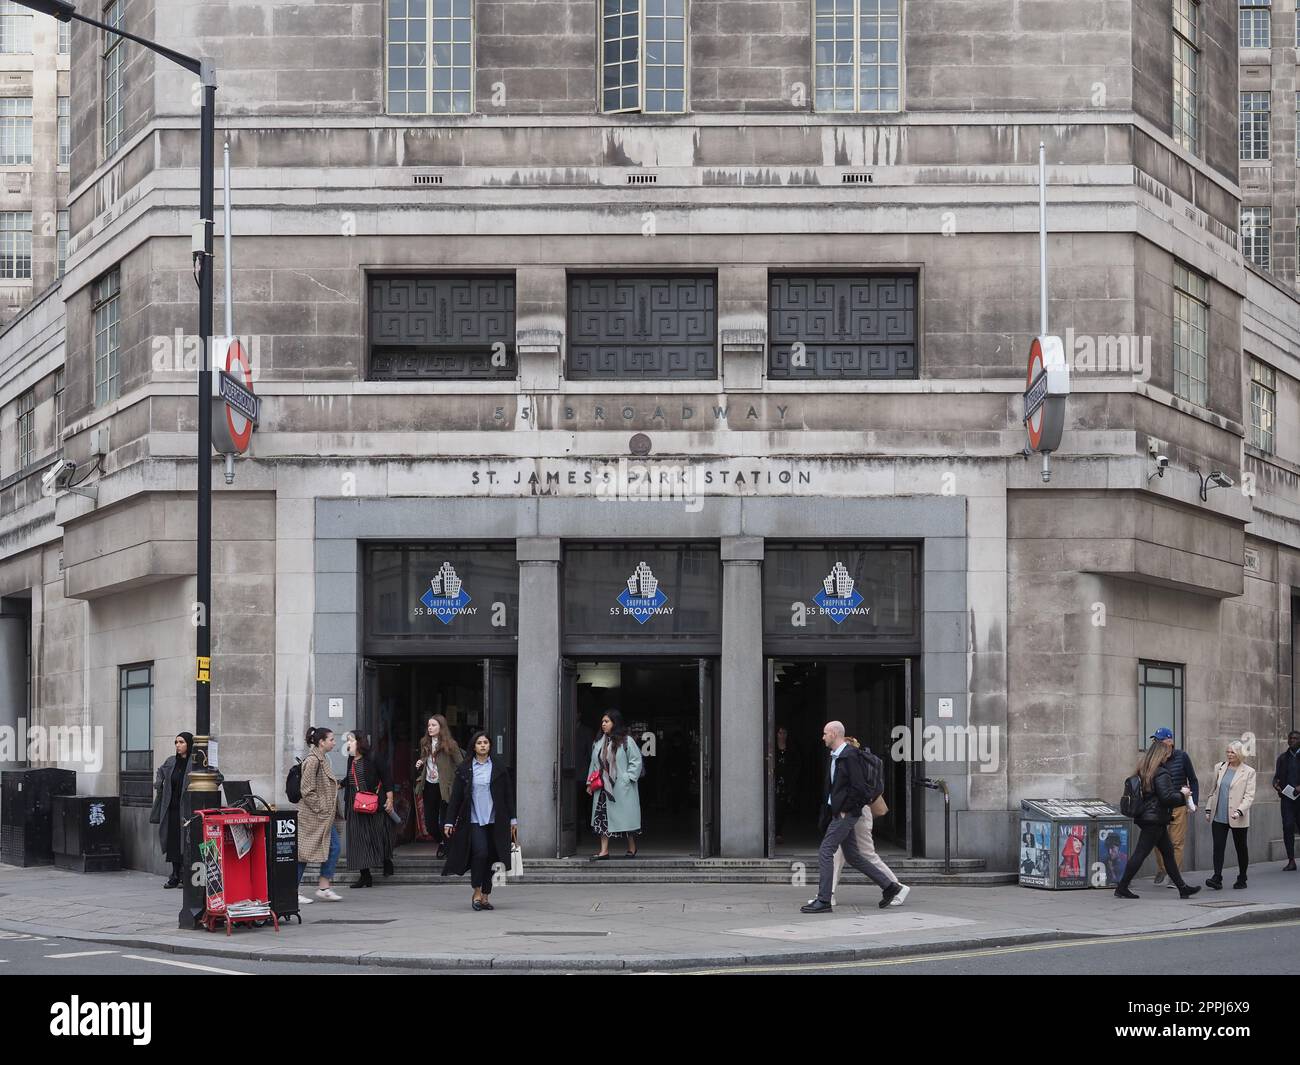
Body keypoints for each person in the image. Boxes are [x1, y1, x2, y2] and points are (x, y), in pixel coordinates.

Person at [801, 721, 908, 913]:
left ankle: (824, 900)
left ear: (834, 733)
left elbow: (859, 788)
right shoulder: (835, 756)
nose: (823, 737)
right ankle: (890, 887)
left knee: (826, 851)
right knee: (852, 856)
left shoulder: (850, 756)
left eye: (825, 733)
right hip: (838, 812)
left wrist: (846, 809)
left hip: (846, 814)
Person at [1114, 740, 1201, 900]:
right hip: (1154, 819)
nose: (1169, 756)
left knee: (1168, 853)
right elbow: (1166, 798)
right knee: (1140, 854)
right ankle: (1122, 887)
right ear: (1162, 754)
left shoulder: (1144, 769)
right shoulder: (1161, 772)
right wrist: (1184, 795)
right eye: (1167, 753)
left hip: (1152, 818)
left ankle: (1182, 888)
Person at [441, 731, 518, 910]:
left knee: (493, 857)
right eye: (479, 743)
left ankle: (485, 895)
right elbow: (456, 798)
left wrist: (513, 819)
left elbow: (508, 795)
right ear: (473, 746)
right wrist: (449, 821)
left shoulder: (499, 767)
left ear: (490, 746)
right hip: (474, 819)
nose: (483, 745)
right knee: (480, 853)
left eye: (485, 743)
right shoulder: (465, 768)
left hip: (496, 820)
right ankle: (476, 891)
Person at [587, 709, 643, 860]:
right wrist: (590, 783)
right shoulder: (599, 742)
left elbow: (636, 761)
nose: (603, 724)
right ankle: (604, 850)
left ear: (615, 723)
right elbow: (594, 763)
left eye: (607, 721)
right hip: (603, 787)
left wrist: (628, 777)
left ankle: (632, 846)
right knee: (602, 817)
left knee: (625, 818)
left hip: (622, 788)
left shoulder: (626, 741)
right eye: (602, 722)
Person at [296, 725, 343, 903]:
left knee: (334, 847)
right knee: (303, 854)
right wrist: (321, 808)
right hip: (314, 816)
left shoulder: (322, 758)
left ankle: (324, 887)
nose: (334, 742)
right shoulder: (314, 760)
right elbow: (307, 789)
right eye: (331, 739)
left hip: (322, 817)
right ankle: (293, 890)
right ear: (321, 742)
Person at [1203, 741, 1256, 890]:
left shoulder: (1249, 771)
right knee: (1218, 847)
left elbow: (1249, 796)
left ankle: (1242, 877)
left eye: (1232, 752)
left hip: (1237, 816)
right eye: (1227, 752)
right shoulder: (1219, 767)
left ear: (1239, 754)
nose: (1229, 755)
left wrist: (1240, 811)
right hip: (1218, 814)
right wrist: (1208, 810)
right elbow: (1212, 790)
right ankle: (1217, 877)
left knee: (1241, 847)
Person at [1150, 727, 1197, 887]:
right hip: (1160, 806)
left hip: (1178, 805)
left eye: (1159, 740)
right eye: (1155, 740)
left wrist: (1193, 802)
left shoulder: (1182, 757)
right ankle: (1163, 868)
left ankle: (1174, 875)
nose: (1156, 743)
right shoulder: (1154, 758)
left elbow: (1193, 779)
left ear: (1170, 741)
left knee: (1176, 842)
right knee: (1157, 842)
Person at [344, 731, 392, 889]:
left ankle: (386, 860)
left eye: (350, 740)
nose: (348, 744)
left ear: (359, 742)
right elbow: (350, 778)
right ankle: (365, 876)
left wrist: (390, 800)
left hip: (372, 800)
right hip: (355, 802)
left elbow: (386, 778)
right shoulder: (351, 759)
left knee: (377, 834)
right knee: (358, 839)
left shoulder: (373, 757)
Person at [149, 733, 195, 889]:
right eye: (176, 742)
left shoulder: (195, 762)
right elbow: (160, 772)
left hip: (187, 810)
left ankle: (184, 876)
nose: (177, 745)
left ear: (189, 744)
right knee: (173, 842)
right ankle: (174, 875)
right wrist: (158, 784)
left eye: (181, 742)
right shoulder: (171, 761)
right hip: (171, 808)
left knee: (184, 842)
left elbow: (217, 776)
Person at [414, 715, 462, 858]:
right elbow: (424, 761)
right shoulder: (424, 743)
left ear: (441, 727)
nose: (430, 728)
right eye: (429, 725)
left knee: (445, 821)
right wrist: (420, 764)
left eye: (434, 725)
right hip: (429, 786)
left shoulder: (450, 744)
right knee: (430, 823)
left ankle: (447, 847)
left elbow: (461, 764)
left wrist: (457, 783)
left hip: (445, 788)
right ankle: (443, 841)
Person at [1272, 730, 1300, 871]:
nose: (1293, 740)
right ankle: (1291, 861)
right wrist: (1276, 784)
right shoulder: (1282, 758)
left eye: (1296, 738)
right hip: (1287, 799)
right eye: (1291, 738)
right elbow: (1277, 777)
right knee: (1288, 827)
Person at [774, 726, 800, 846]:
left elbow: (796, 764)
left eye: (784, 733)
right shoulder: (772, 747)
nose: (782, 735)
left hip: (787, 781)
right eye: (780, 733)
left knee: (782, 807)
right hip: (774, 781)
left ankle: (778, 832)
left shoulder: (792, 749)